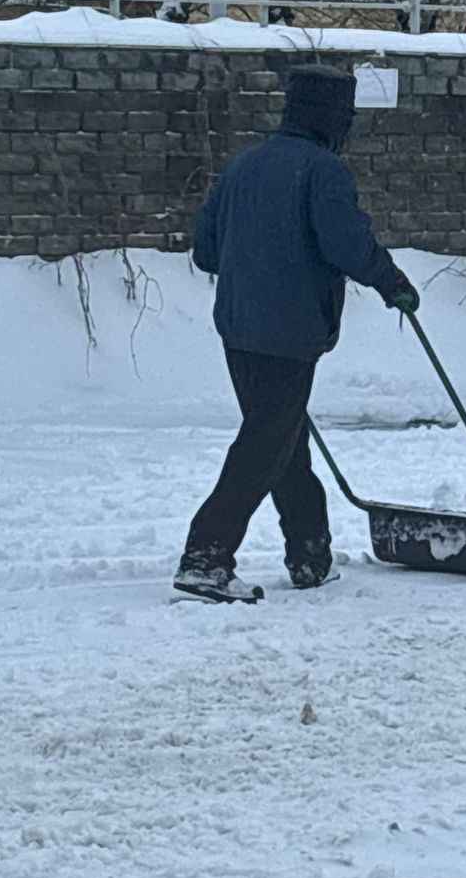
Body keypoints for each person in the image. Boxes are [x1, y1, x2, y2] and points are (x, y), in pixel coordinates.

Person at [175, 64, 419, 602]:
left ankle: (310, 554)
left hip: (238, 327)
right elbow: (347, 245)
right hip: (288, 331)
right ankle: (206, 558)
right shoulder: (322, 171)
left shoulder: (245, 165)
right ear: (332, 119)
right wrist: (390, 281)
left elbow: (205, 251)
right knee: (266, 443)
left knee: (283, 438)